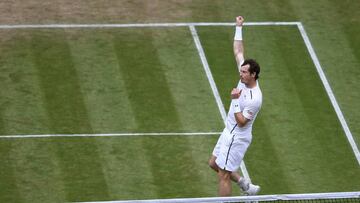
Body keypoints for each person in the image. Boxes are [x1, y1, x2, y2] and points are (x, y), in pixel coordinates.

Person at [208, 16, 262, 196]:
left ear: (253, 75)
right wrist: (239, 27)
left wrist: (234, 99)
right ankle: (246, 185)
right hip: (228, 131)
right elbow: (238, 50)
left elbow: (241, 122)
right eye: (241, 70)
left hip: (237, 137)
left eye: (244, 72)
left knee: (223, 175)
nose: (241, 74)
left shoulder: (255, 98)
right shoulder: (244, 75)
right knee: (213, 164)